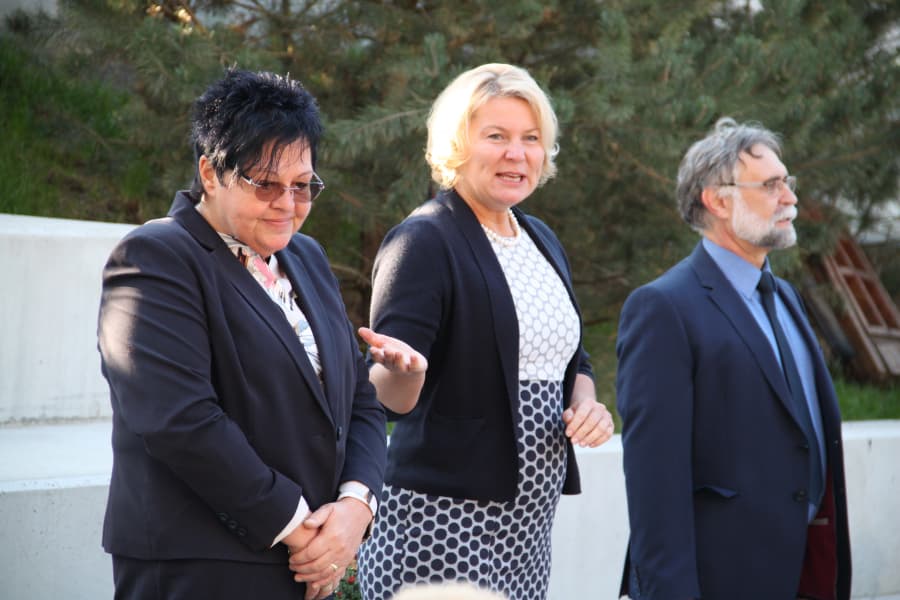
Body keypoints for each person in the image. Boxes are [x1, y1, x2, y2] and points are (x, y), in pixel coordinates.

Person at [97, 69, 389, 600]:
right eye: (266, 184)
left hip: (310, 564)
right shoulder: (155, 257)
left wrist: (355, 507)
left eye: (302, 186)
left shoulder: (307, 256)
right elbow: (179, 420)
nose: (288, 204)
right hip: (202, 566)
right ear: (211, 173)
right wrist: (298, 527)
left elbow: (359, 398)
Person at [355, 63, 615, 600]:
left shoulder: (541, 239)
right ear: (457, 144)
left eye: (531, 138)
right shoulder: (423, 241)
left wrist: (586, 402)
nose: (516, 154)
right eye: (496, 136)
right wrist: (405, 372)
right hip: (442, 522)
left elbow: (575, 361)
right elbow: (382, 394)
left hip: (528, 526)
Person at [616, 117, 851, 600]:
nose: (790, 198)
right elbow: (655, 482)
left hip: (807, 570)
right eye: (770, 186)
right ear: (718, 201)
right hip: (722, 578)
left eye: (787, 182)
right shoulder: (663, 307)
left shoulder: (785, 296)